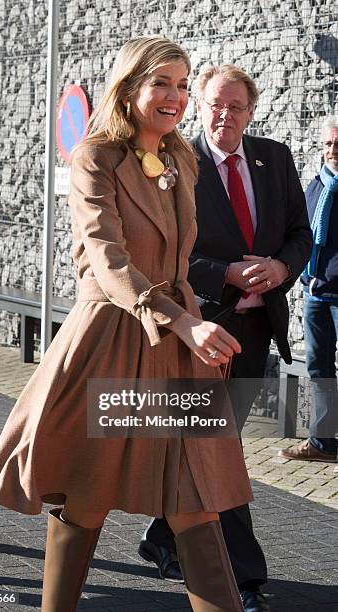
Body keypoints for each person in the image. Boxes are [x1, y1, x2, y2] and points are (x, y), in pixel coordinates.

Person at [0, 39, 254, 612]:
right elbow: (108, 262)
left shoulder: (181, 159)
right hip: (114, 343)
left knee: (195, 497)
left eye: (182, 84)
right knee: (88, 494)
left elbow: (182, 256)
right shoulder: (95, 158)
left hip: (179, 353)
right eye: (162, 84)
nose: (175, 96)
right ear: (129, 89)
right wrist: (184, 323)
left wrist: (199, 325)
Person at [139, 64, 312, 612]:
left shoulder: (275, 157)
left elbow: (299, 236)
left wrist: (283, 269)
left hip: (259, 330)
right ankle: (244, 578)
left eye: (236, 106)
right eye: (215, 103)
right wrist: (223, 274)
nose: (225, 115)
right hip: (202, 327)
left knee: (211, 438)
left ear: (251, 112)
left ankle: (162, 537)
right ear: (198, 105)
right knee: (222, 450)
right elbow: (164, 250)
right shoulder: (174, 162)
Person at [280, 117, 338, 464]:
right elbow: (301, 232)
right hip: (316, 294)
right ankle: (324, 442)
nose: (333, 150)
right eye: (328, 144)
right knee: (320, 370)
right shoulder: (317, 185)